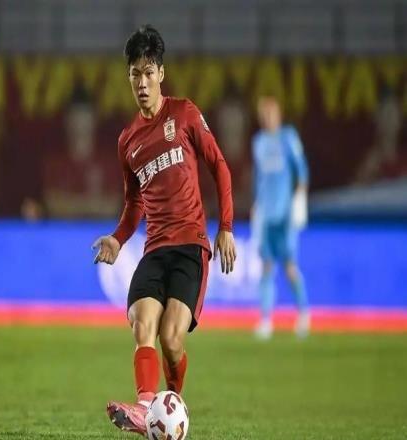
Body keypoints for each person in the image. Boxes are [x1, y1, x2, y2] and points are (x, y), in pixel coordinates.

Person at [92, 25, 236, 435]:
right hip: (154, 250)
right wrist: (118, 238)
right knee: (144, 325)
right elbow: (134, 203)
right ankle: (145, 408)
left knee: (172, 340)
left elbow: (219, 165)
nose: (141, 82)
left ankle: (171, 401)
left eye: (148, 72)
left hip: (191, 246)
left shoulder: (184, 114)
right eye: (134, 74)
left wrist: (225, 227)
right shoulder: (127, 141)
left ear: (161, 74)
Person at [251, 95, 310, 340]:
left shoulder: (288, 138)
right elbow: (259, 178)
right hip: (266, 214)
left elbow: (301, 169)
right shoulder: (258, 142)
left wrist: (300, 200)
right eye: (263, 115)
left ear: (278, 114)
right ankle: (266, 320)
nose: (267, 118)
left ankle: (303, 313)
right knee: (266, 266)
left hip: (285, 214)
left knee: (289, 266)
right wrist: (256, 205)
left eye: (270, 113)